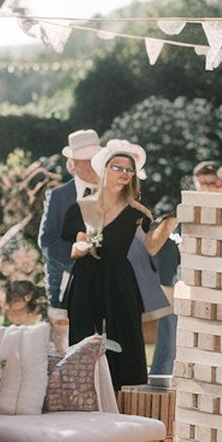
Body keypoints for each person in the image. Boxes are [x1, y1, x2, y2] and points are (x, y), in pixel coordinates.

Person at [40, 128, 171, 353]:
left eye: (94, 159)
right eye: (84, 160)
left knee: (119, 346)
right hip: (69, 282)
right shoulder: (59, 196)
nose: (91, 165)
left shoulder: (127, 199)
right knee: (73, 350)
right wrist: (80, 255)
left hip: (116, 283)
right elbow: (49, 241)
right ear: (73, 164)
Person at [61, 140, 176, 392]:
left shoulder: (139, 214)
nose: (124, 173)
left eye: (129, 169)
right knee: (82, 337)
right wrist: (80, 248)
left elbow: (148, 248)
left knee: (125, 338)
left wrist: (170, 222)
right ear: (104, 169)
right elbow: (67, 248)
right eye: (118, 167)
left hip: (121, 281)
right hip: (86, 279)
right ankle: (81, 394)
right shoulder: (79, 209)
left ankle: (126, 399)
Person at [147, 197, 180, 379]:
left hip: (182, 284)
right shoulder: (168, 224)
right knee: (169, 329)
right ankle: (162, 375)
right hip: (170, 285)